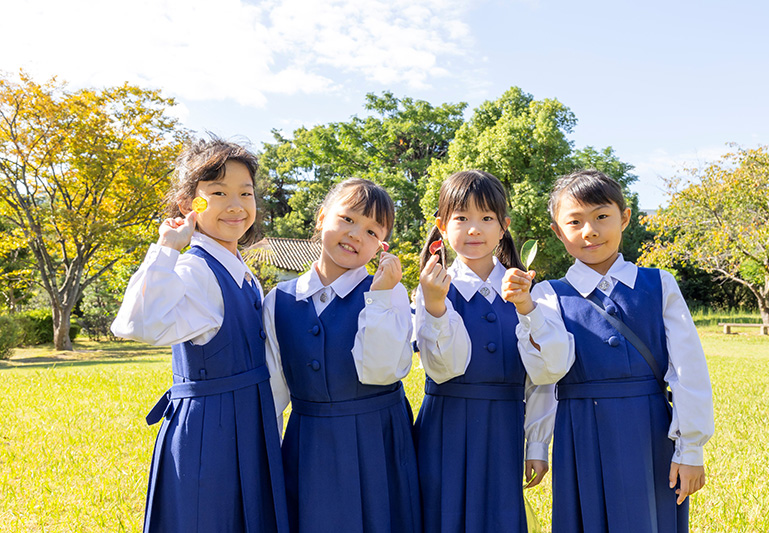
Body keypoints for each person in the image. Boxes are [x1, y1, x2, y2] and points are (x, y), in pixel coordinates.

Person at [111, 138, 289, 533]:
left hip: (245, 425)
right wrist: (167, 249)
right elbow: (136, 324)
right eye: (218, 193)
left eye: (246, 193)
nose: (236, 205)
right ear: (189, 204)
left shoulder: (239, 270)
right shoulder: (197, 270)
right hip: (213, 432)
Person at [534, 169, 714, 532]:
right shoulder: (547, 294)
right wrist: (537, 443)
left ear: (625, 217)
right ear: (557, 231)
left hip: (650, 431)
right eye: (575, 221)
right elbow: (542, 379)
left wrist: (691, 449)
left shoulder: (658, 283)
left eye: (601, 216)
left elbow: (688, 369)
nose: (590, 231)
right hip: (580, 431)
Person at [414, 170, 572, 533]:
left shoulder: (529, 292)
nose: (474, 229)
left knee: (500, 517)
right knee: (442, 514)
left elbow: (542, 379)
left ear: (503, 227)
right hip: (443, 427)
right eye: (462, 218)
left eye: (486, 218)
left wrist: (536, 444)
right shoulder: (431, 289)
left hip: (504, 427)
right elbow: (442, 369)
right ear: (441, 225)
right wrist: (437, 306)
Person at [262, 178, 422, 533]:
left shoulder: (389, 293)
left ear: (381, 245)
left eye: (371, 231)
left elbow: (382, 370)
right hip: (310, 443)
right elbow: (274, 392)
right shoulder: (279, 300)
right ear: (322, 218)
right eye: (348, 219)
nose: (355, 235)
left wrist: (380, 296)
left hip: (376, 440)